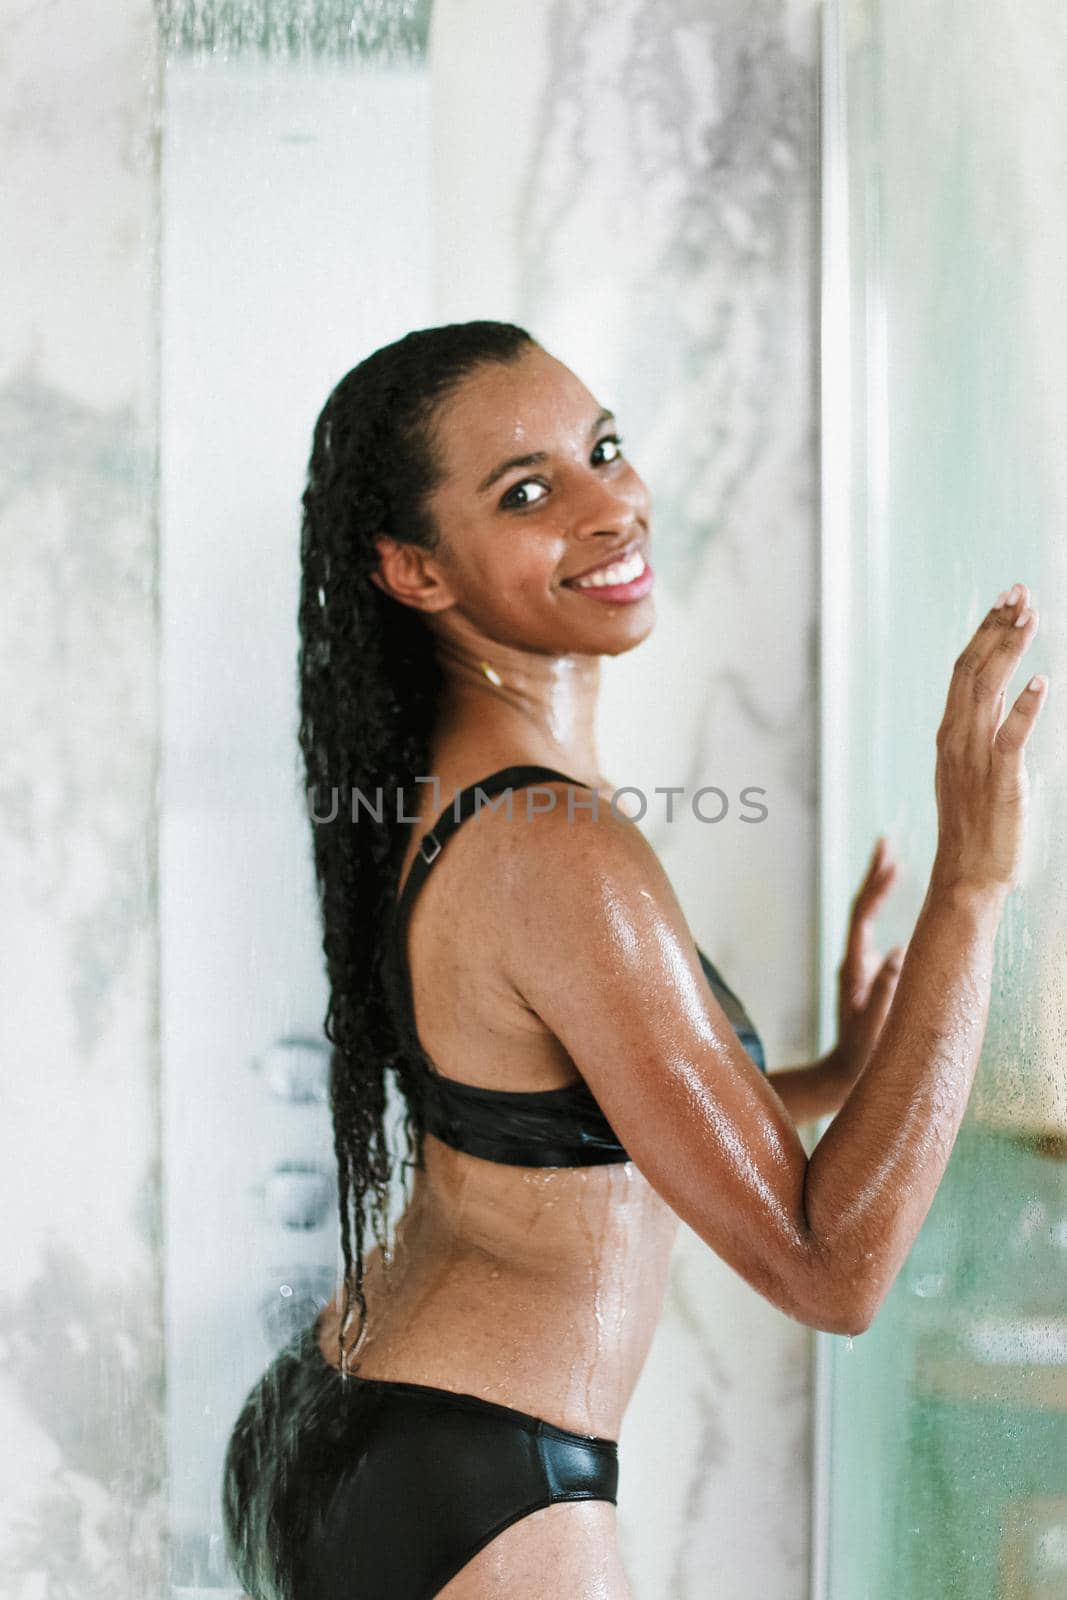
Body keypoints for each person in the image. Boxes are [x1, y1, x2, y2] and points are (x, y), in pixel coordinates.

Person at [221, 321, 1047, 1600]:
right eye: (530, 492)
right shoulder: (553, 848)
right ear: (412, 568)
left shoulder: (470, 792)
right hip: (477, 1475)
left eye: (603, 448)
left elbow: (571, 1126)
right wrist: (972, 885)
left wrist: (829, 1074)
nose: (613, 506)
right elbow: (830, 1270)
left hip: (365, 1414)